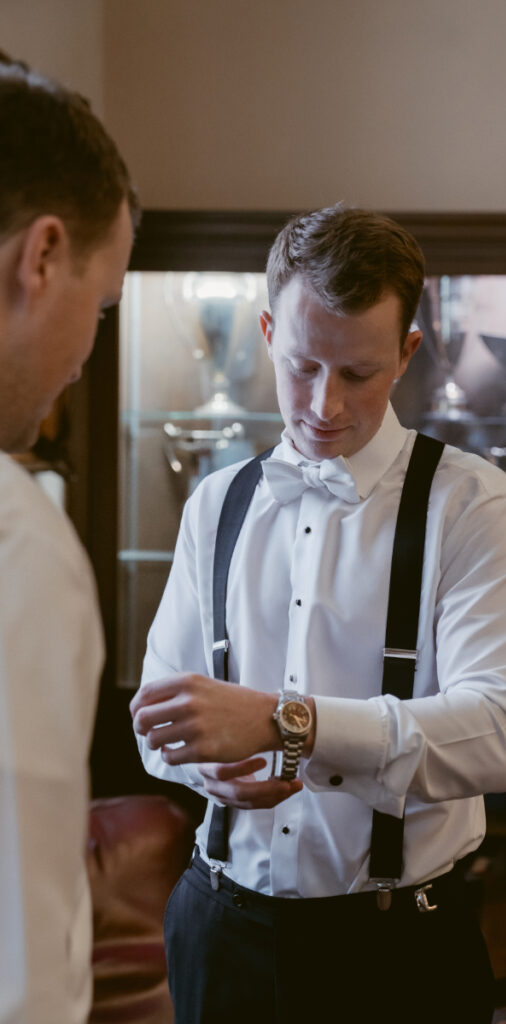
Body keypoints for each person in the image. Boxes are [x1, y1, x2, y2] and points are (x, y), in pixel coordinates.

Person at [131, 205, 506, 1024]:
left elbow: (498, 734)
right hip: (219, 931)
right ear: (264, 331)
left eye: (356, 373)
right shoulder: (216, 502)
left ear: (406, 352)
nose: (323, 404)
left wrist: (290, 723)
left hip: (397, 952)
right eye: (301, 365)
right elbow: (155, 721)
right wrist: (199, 766)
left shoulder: (471, 503)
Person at [0, 54, 137, 1023]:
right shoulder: (18, 542)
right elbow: (24, 963)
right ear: (40, 256)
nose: (87, 357)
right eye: (98, 307)